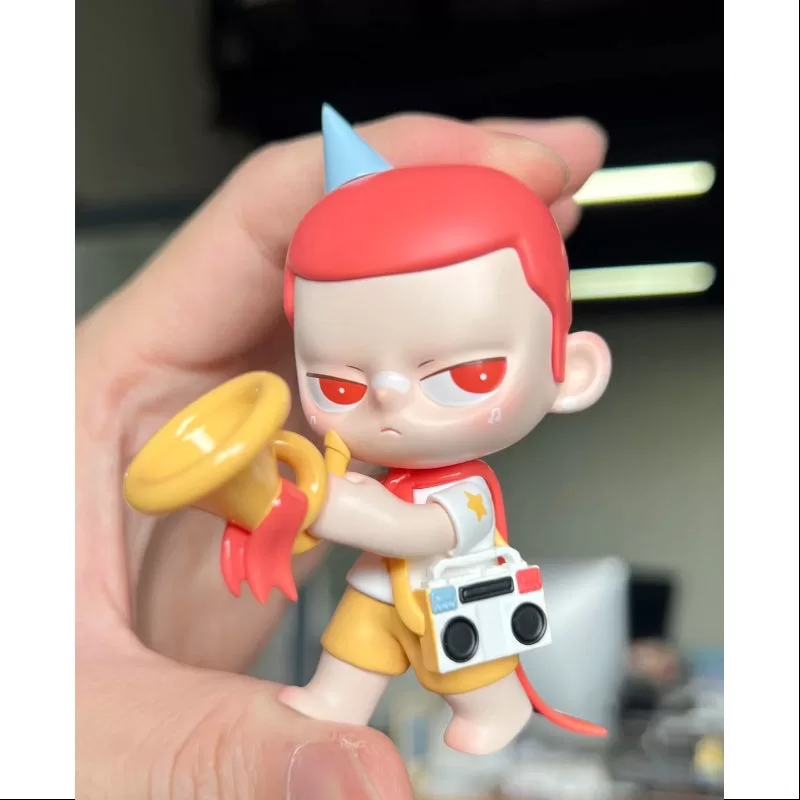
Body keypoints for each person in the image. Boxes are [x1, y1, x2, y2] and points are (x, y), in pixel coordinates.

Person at [76, 110, 608, 799]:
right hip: (382, 586)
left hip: (450, 589)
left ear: (574, 371)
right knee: (355, 641)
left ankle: (496, 710)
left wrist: (333, 506)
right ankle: (336, 699)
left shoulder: (468, 491)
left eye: (466, 375)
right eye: (338, 385)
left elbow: (420, 531)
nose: (388, 396)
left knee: (469, 669)